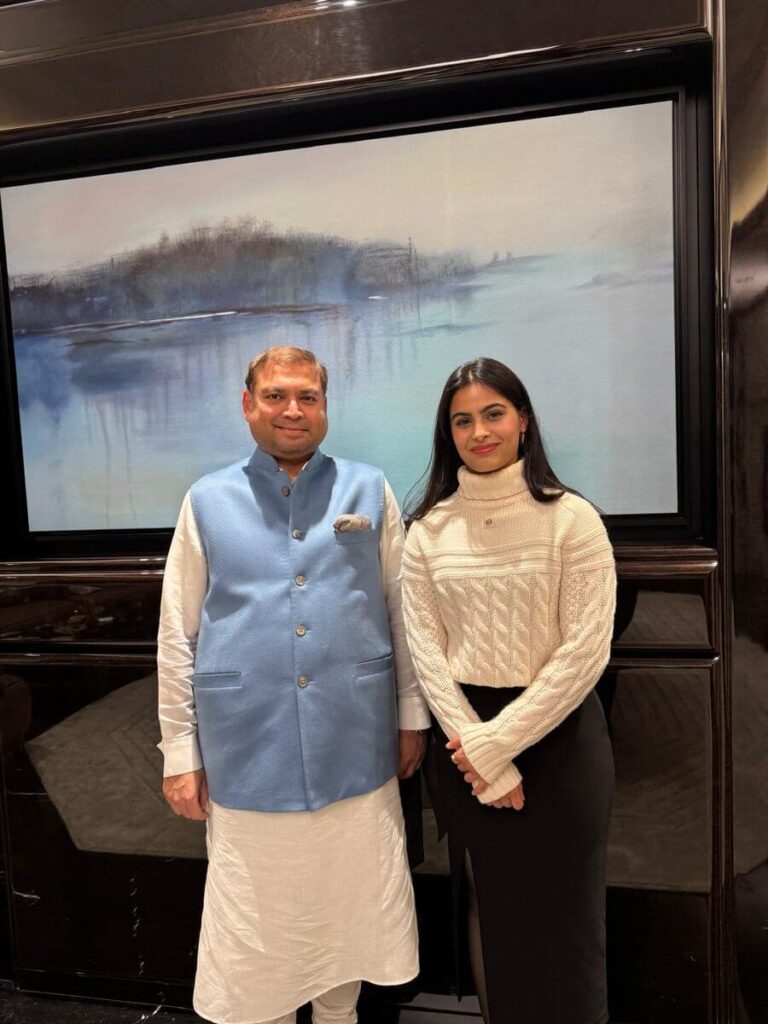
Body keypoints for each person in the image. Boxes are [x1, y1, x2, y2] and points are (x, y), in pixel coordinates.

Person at [157, 345, 430, 1024]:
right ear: (248, 404)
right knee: (259, 933)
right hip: (245, 747)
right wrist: (179, 751)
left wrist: (410, 716)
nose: (293, 410)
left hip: (356, 740)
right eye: (277, 395)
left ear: (325, 407)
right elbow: (176, 629)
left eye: (308, 396)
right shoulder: (206, 500)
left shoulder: (370, 488)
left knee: (351, 918)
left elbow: (405, 611)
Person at [400, 357, 616, 1024]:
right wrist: (480, 752)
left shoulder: (572, 519)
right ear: (448, 434)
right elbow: (427, 655)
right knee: (491, 907)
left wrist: (501, 743)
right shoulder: (427, 531)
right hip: (464, 740)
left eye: (494, 413)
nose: (479, 430)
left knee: (569, 916)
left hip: (560, 737)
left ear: (523, 420)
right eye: (462, 420)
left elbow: (586, 651)